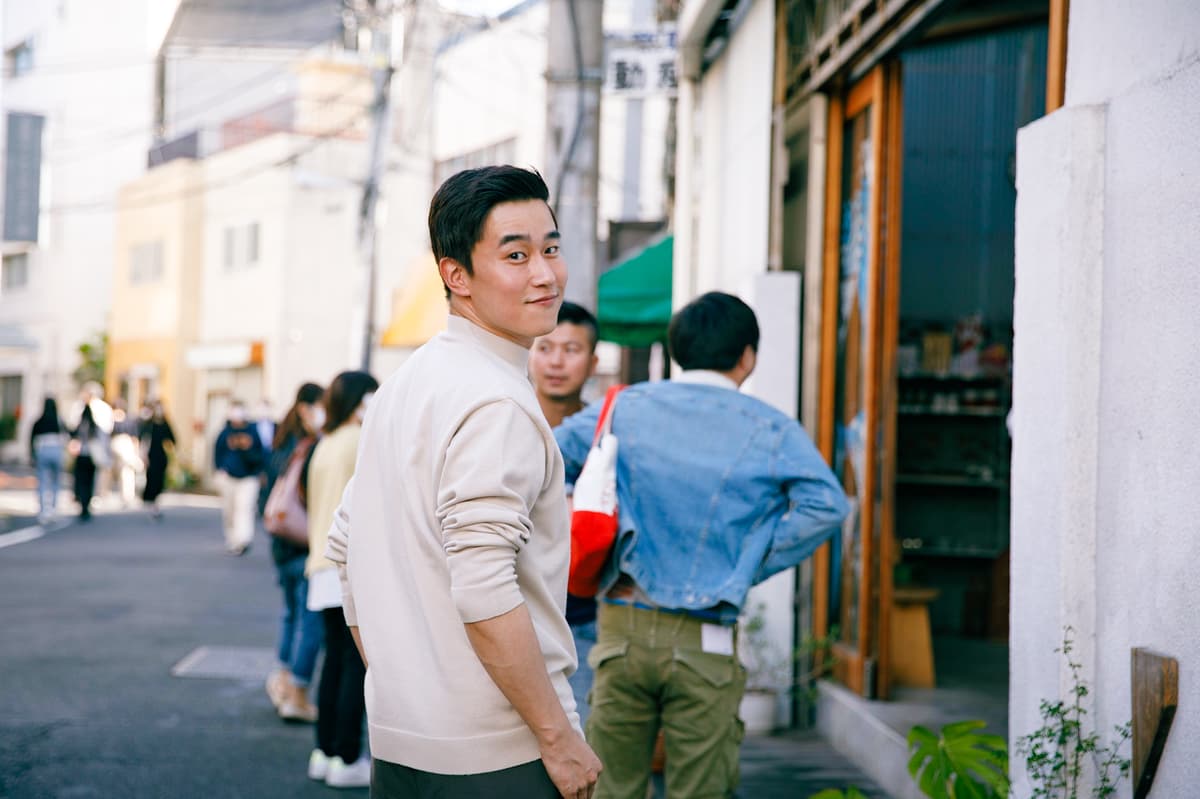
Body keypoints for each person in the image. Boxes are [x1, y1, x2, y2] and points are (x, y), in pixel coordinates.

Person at [324, 165, 601, 798]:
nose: (546, 274)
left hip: (403, 742)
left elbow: (346, 548)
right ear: (457, 275)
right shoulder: (496, 401)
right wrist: (558, 738)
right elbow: (482, 584)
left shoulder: (407, 383)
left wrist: (405, 683)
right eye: (516, 255)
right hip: (500, 753)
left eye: (551, 248)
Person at [554, 292, 850, 799]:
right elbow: (827, 505)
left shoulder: (625, 407)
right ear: (747, 357)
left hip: (621, 626)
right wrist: (747, 562)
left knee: (610, 788)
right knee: (701, 790)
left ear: (676, 351)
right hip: (705, 634)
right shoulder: (771, 427)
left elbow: (542, 453)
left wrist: (568, 508)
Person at [528, 301, 600, 727]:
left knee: (582, 736)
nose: (556, 362)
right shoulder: (506, 418)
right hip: (513, 611)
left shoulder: (607, 432)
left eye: (571, 350)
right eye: (545, 348)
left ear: (593, 362)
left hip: (585, 618)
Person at [304, 371, 377, 788]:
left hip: (320, 562)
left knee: (334, 662)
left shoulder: (326, 442)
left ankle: (325, 751)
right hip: (350, 564)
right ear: (359, 400)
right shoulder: (359, 440)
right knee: (354, 665)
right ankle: (347, 756)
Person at [261, 382, 325, 725]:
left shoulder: (282, 441)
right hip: (304, 542)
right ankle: (296, 693)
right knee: (309, 620)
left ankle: (283, 681)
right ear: (305, 408)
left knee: (291, 614)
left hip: (281, 541)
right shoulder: (310, 446)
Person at [213, 400, 265, 555]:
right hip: (229, 477)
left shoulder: (252, 431)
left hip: (248, 478)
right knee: (230, 510)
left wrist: (246, 448)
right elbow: (217, 453)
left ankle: (243, 539)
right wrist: (219, 470)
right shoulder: (225, 432)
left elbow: (261, 455)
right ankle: (232, 539)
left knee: (245, 508)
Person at [67, 383, 113, 522]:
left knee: (81, 479)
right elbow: (107, 431)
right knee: (91, 479)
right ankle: (89, 501)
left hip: (82, 452)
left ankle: (82, 501)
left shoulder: (80, 409)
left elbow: (72, 429)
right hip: (94, 452)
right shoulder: (102, 409)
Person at [31, 398, 67, 524]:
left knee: (42, 481)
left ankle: (43, 511)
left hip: (42, 452)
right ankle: (53, 509)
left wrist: (32, 455)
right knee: (56, 482)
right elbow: (68, 434)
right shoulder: (59, 421)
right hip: (56, 451)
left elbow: (31, 439)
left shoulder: (39, 421)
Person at [140, 400, 175, 520]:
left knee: (159, 482)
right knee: (152, 481)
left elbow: (173, 440)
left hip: (161, 456)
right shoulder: (149, 424)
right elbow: (144, 440)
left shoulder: (165, 424)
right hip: (151, 456)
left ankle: (155, 503)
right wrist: (143, 456)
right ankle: (152, 505)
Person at [109, 399, 143, 508]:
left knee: (126, 472)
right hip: (115, 447)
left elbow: (134, 437)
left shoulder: (129, 420)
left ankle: (127, 496)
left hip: (125, 445)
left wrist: (136, 450)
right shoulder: (111, 421)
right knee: (117, 472)